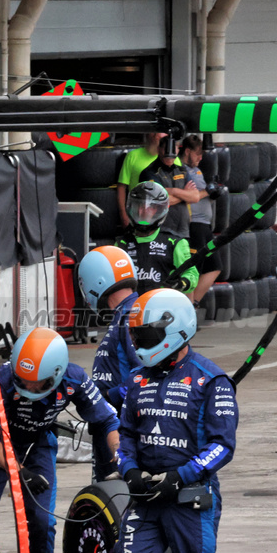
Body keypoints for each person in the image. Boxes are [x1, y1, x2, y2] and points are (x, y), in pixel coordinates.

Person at [96, 288, 236, 553]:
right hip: (144, 499)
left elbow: (223, 444)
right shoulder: (136, 381)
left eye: (146, 336)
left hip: (191, 499)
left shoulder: (211, 379)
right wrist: (130, 470)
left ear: (175, 330)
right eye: (136, 336)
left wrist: (183, 474)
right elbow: (126, 436)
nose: (138, 344)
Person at [0, 326, 120, 553]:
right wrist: (17, 471)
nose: (28, 387)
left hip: (39, 442)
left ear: (56, 373)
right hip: (2, 444)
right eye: (22, 380)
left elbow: (107, 421)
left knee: (42, 523)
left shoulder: (75, 378)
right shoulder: (1, 378)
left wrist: (119, 459)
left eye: (37, 383)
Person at [78, 246, 140, 413]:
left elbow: (146, 373)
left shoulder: (130, 316)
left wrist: (109, 395)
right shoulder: (124, 314)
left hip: (124, 422)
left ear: (97, 282)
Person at [116, 182, 198, 296]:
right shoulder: (121, 244)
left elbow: (191, 273)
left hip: (163, 307)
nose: (142, 211)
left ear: (158, 210)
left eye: (150, 207)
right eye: (139, 206)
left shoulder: (175, 243)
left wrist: (182, 283)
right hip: (131, 308)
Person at [179, 135, 223, 304]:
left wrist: (213, 194)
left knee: (215, 266)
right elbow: (189, 196)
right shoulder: (180, 170)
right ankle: (186, 307)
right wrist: (208, 191)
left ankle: (193, 304)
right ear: (188, 151)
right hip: (193, 225)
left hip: (205, 226)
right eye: (197, 154)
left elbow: (203, 195)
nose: (200, 158)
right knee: (193, 269)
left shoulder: (197, 171)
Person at [117, 133, 178, 231]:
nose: (156, 136)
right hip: (139, 214)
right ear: (148, 135)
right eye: (154, 132)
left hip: (172, 220)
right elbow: (121, 187)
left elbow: (192, 195)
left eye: (162, 134)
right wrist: (123, 215)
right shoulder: (133, 156)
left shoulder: (173, 159)